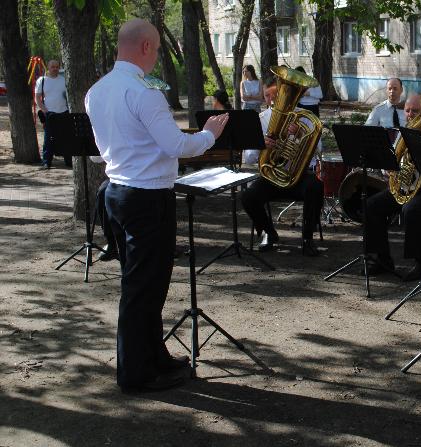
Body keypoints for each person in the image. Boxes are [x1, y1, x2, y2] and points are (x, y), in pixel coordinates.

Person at [85, 19, 229, 392]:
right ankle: (135, 374)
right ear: (147, 47)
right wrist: (209, 135)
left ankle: (154, 357)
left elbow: (103, 151)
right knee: (142, 290)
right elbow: (176, 146)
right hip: (146, 198)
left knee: (146, 285)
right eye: (157, 49)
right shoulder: (143, 92)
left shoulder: (97, 91)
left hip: (118, 192)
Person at [363, 93, 421, 279]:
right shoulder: (403, 132)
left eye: (415, 110)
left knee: (412, 210)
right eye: (407, 110)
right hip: (408, 187)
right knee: (372, 205)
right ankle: (381, 259)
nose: (410, 114)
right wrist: (389, 170)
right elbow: (393, 161)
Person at [240, 84, 324, 257]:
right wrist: (260, 144)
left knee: (315, 187)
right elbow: (248, 158)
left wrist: (300, 134)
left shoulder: (305, 117)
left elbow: (320, 148)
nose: (271, 99)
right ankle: (268, 232)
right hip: (272, 175)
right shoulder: (261, 120)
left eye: (276, 95)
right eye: (266, 96)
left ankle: (307, 238)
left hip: (300, 175)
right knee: (248, 196)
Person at [35, 59, 72, 169]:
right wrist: (44, 110)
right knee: (48, 139)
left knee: (66, 138)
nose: (55, 69)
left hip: (64, 112)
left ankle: (68, 161)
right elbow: (37, 97)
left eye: (57, 66)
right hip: (50, 114)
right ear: (48, 67)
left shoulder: (63, 80)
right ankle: (46, 161)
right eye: (52, 67)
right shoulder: (42, 81)